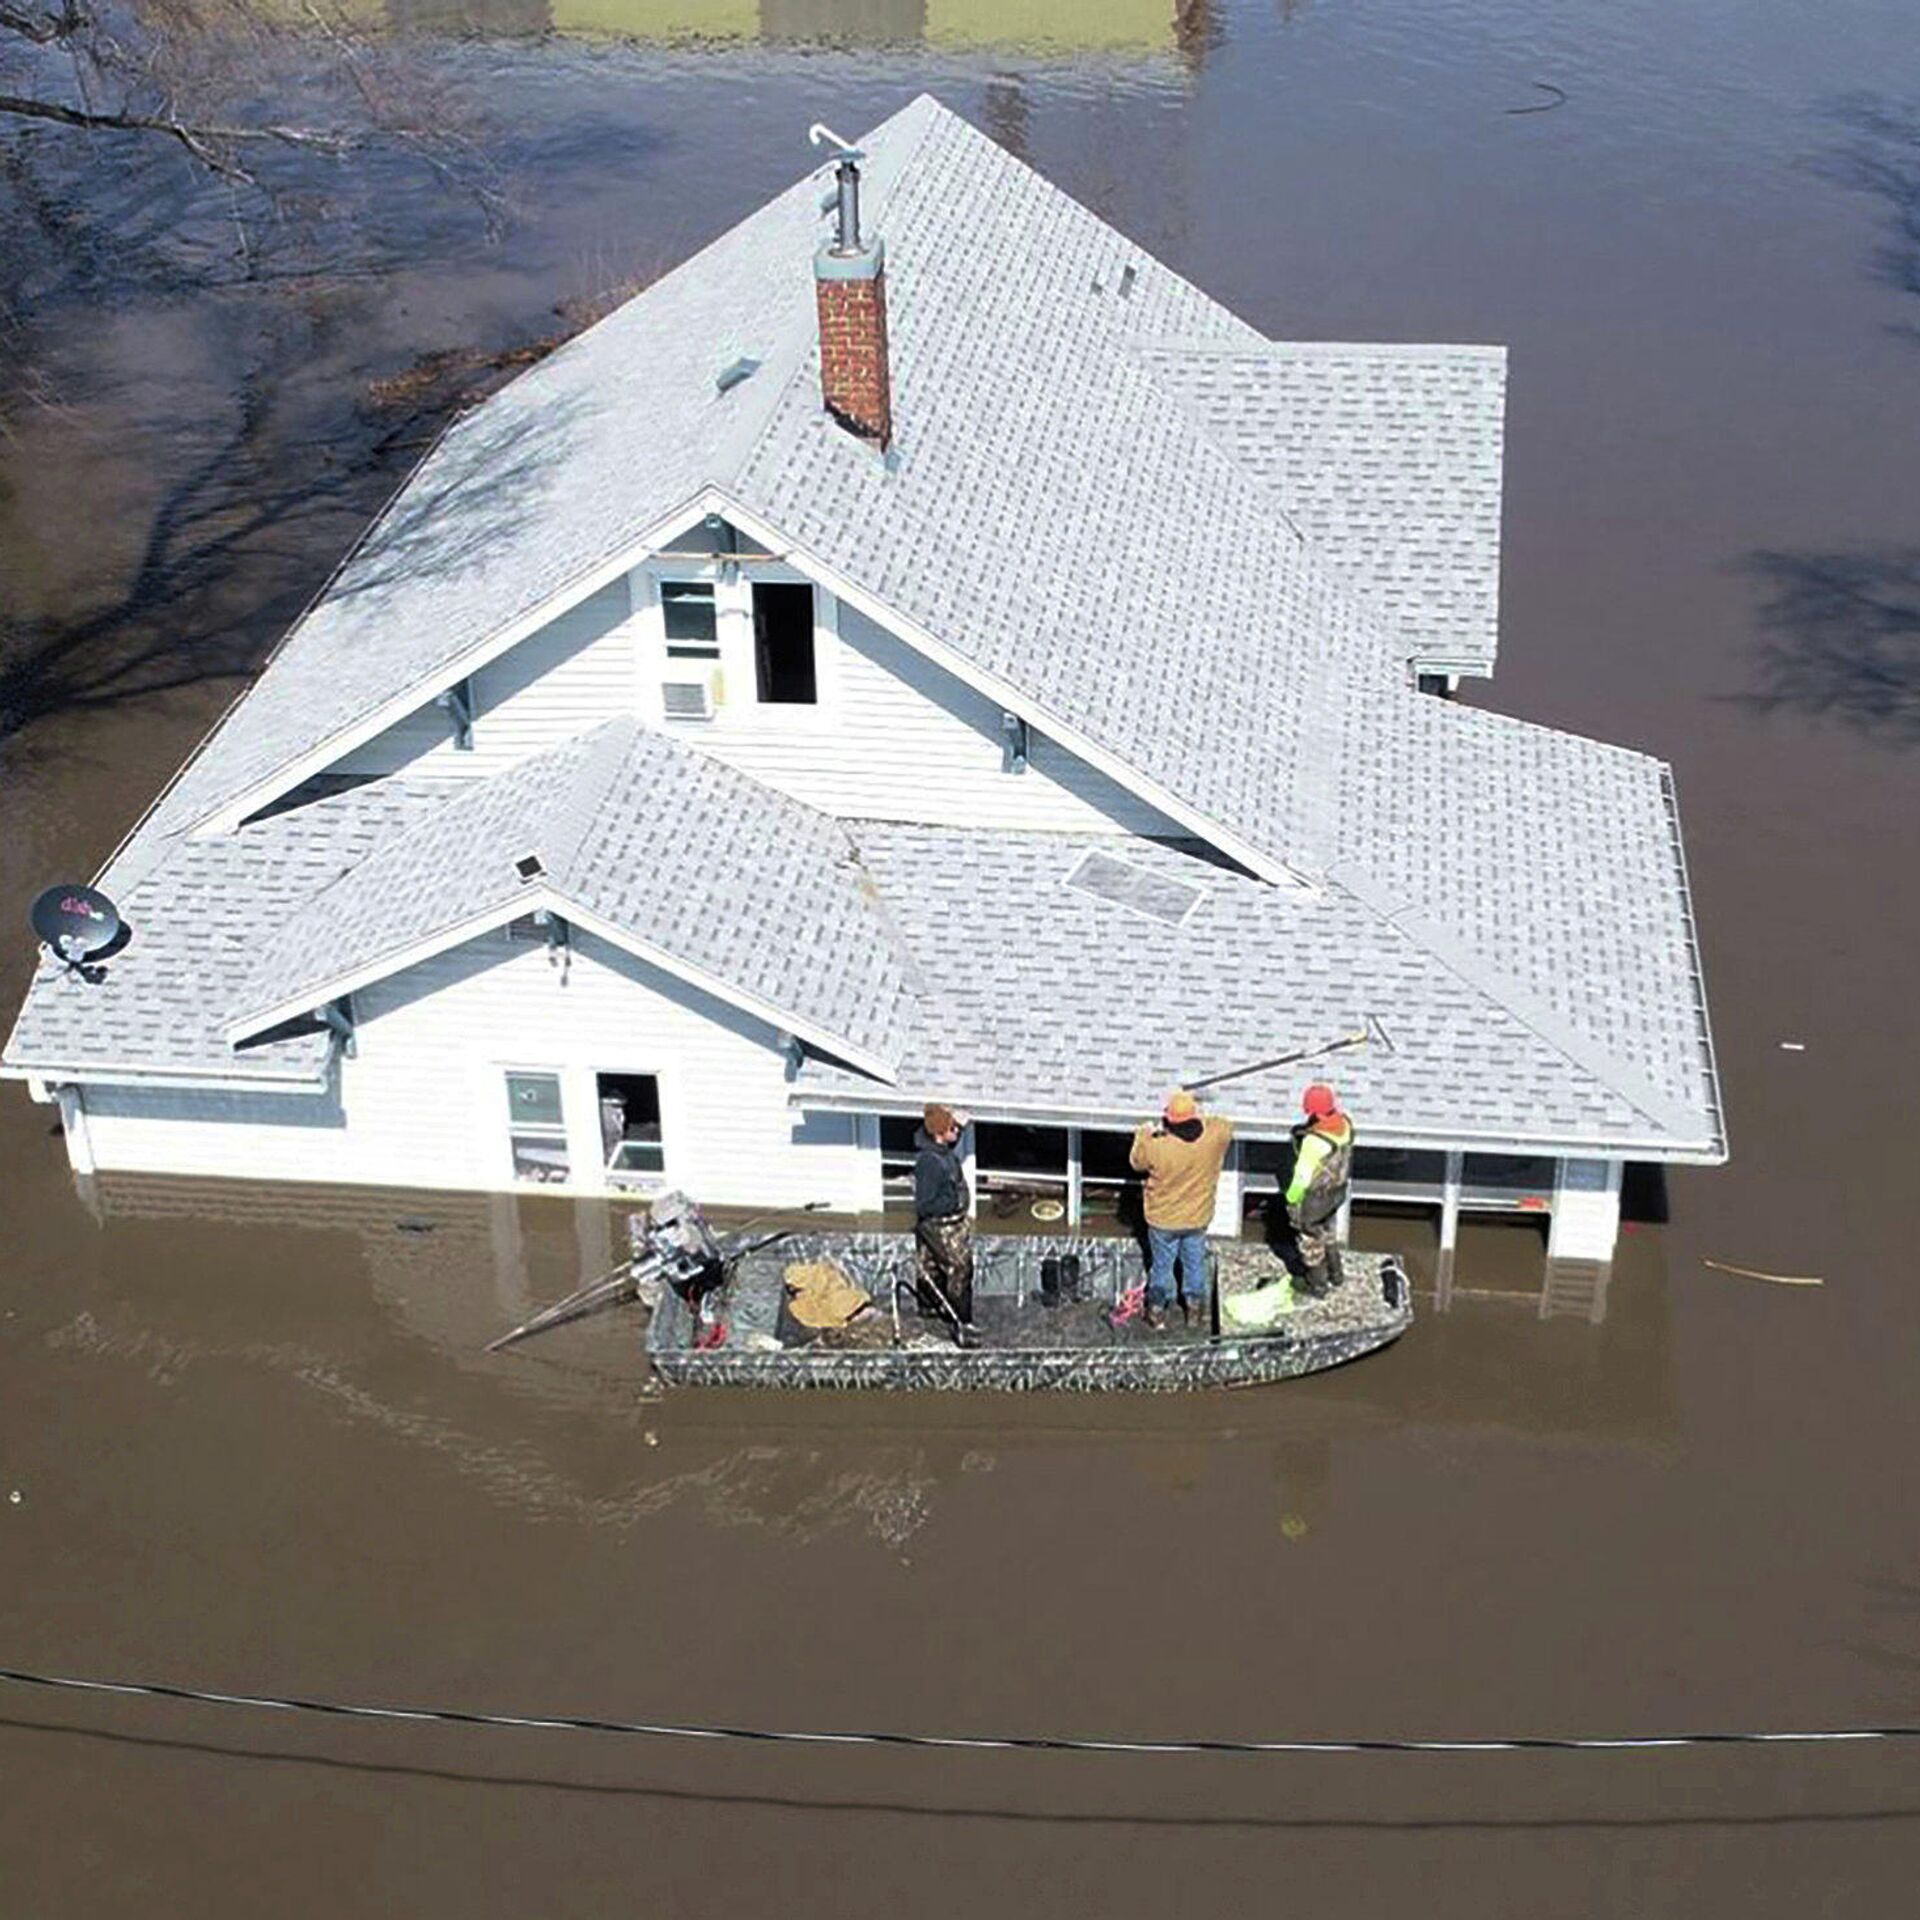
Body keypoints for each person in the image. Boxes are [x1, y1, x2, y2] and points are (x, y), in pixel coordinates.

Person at [1128, 1090, 1234, 1328]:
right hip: (1197, 1219)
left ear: (1169, 1120)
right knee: (1194, 1263)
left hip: (1162, 1221)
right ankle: (1194, 1311)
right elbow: (1226, 1125)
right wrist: (1201, 1112)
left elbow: (1136, 1161)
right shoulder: (1213, 1138)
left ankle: (1156, 1312)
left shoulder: (1158, 1146)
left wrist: (1144, 1132)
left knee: (1162, 1265)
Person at [1286, 1083, 1354, 1295]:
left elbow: (1302, 1175)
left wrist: (1292, 1198)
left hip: (1315, 1198)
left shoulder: (1314, 1142)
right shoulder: (1346, 1124)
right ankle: (1337, 1275)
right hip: (1337, 1191)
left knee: (1310, 1239)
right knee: (1328, 1232)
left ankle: (1317, 1285)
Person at [912, 1103, 974, 1331]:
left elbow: (953, 1127)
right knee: (960, 1267)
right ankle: (961, 1320)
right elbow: (924, 1204)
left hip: (951, 1221)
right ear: (939, 1132)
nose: (958, 1132)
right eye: (953, 1128)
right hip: (940, 1223)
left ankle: (930, 1308)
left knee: (930, 1266)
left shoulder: (943, 1151)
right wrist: (954, 1203)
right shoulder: (929, 1162)